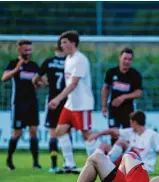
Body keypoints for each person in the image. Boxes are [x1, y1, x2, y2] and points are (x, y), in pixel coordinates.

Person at [48, 30, 94, 173]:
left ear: (73, 43)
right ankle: (69, 164)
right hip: (70, 104)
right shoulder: (68, 59)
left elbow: (73, 84)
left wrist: (57, 98)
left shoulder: (80, 59)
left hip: (82, 104)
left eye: (64, 42)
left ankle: (98, 165)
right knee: (60, 131)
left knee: (86, 135)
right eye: (61, 43)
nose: (62, 45)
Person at [86, 110, 159, 176]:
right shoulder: (131, 132)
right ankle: (92, 165)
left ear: (135, 122)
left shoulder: (152, 135)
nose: (130, 125)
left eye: (131, 122)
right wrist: (98, 134)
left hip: (144, 167)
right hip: (129, 163)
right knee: (104, 146)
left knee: (121, 142)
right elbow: (113, 131)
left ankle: (104, 164)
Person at [1, 39, 41, 170]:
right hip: (18, 103)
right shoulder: (13, 63)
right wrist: (17, 68)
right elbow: (4, 78)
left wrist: (39, 83)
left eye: (30, 49)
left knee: (33, 131)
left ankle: (35, 162)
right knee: (17, 132)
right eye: (26, 49)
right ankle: (9, 160)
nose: (28, 52)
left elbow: (38, 83)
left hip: (32, 103)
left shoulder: (34, 65)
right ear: (19, 49)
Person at [32, 41, 67, 172]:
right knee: (66, 132)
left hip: (52, 99)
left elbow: (35, 78)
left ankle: (53, 165)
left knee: (52, 132)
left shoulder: (48, 62)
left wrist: (42, 83)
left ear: (55, 49)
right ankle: (67, 163)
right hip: (66, 100)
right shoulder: (70, 61)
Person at [101, 48, 142, 145]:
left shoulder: (135, 75)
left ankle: (126, 158)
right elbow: (106, 88)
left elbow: (138, 93)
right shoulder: (111, 72)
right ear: (120, 58)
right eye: (125, 58)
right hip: (113, 109)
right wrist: (103, 106)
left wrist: (124, 97)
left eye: (129, 59)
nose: (127, 61)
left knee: (127, 136)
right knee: (114, 134)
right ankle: (115, 159)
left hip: (128, 110)